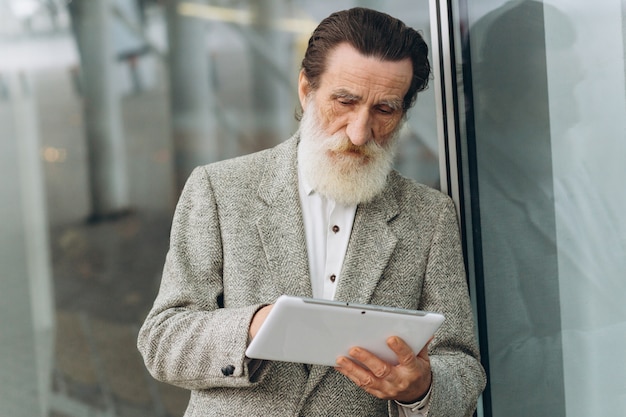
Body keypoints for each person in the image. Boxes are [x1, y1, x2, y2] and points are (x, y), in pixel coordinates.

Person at [137, 7, 485, 417]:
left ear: (404, 113)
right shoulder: (219, 189)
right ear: (306, 89)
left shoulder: (430, 216)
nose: (359, 132)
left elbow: (463, 368)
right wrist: (253, 325)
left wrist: (421, 388)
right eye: (345, 101)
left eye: (384, 110)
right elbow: (162, 342)